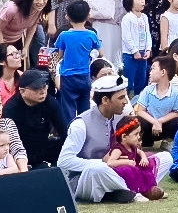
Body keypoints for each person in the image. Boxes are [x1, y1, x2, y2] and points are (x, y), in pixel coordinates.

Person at [53, 72, 143, 203]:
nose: (125, 102)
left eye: (126, 97)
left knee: (164, 158)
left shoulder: (121, 118)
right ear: (105, 100)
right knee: (97, 169)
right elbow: (64, 161)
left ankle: (118, 192)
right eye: (121, 98)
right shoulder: (81, 124)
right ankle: (134, 191)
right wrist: (102, 162)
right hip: (86, 179)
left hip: (119, 169)